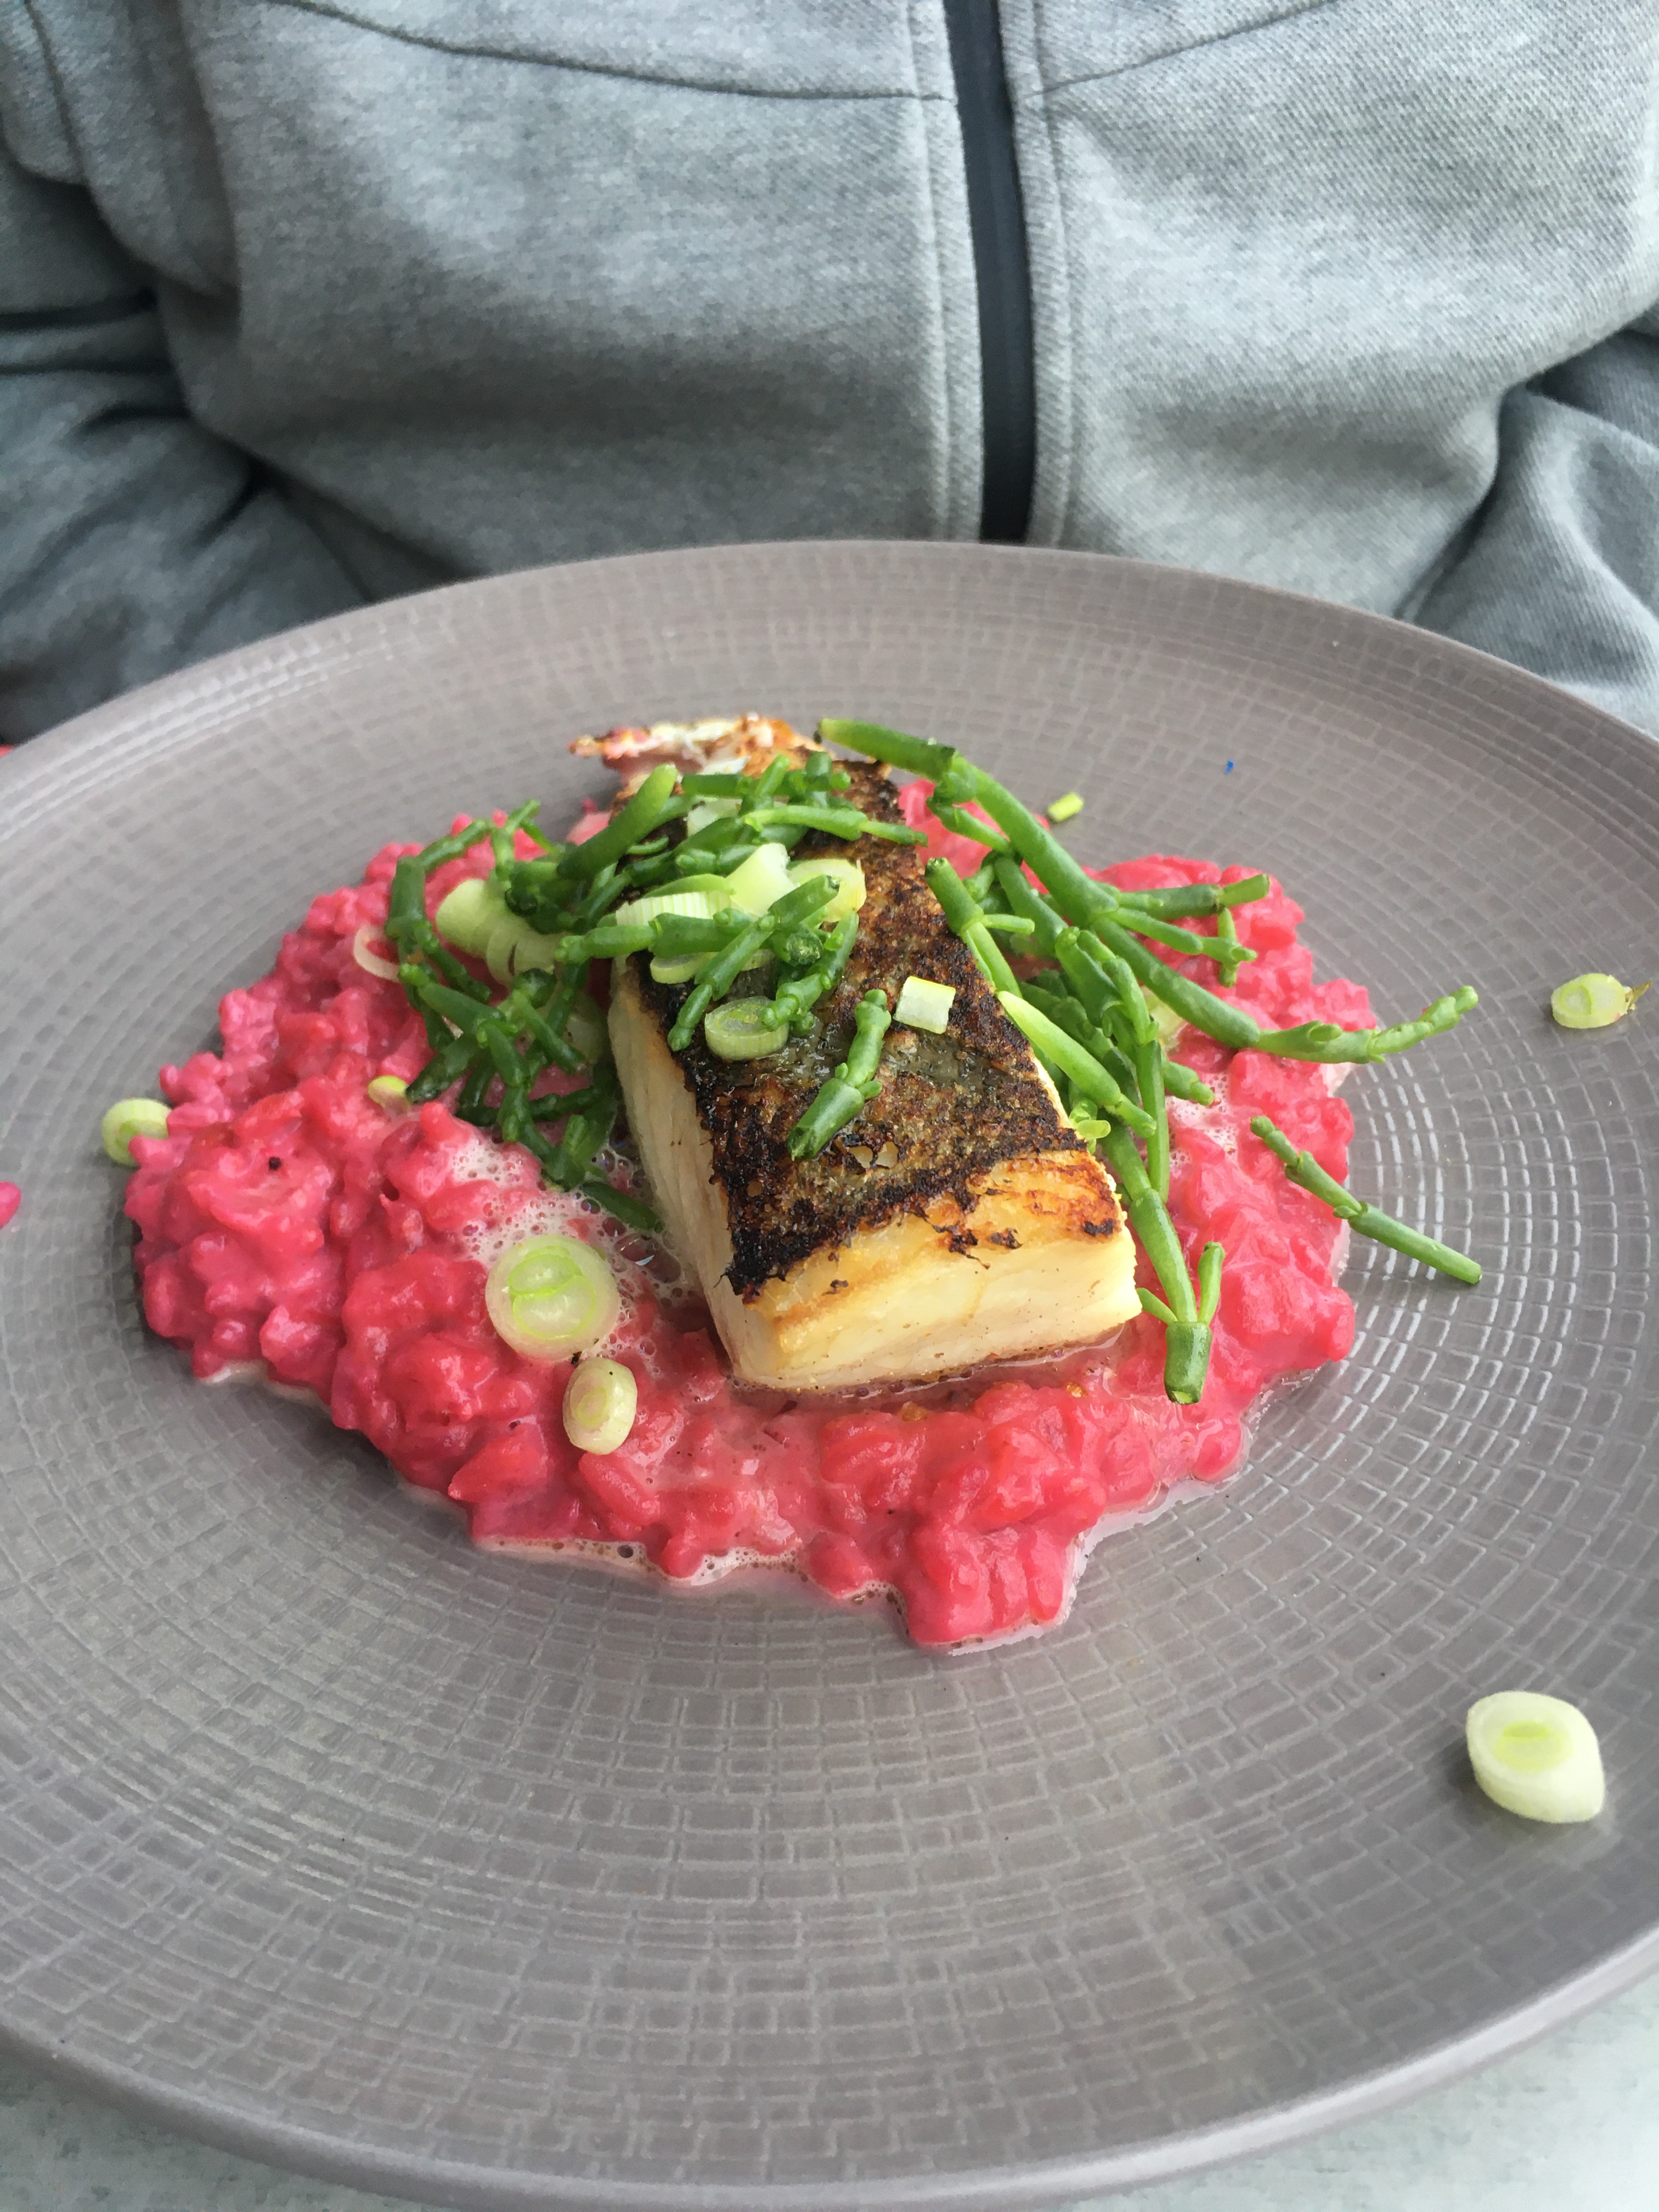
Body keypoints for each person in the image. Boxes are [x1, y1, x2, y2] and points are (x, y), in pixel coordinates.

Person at [2, 1, 1657, 742]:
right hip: (419, 785)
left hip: (1461, 735)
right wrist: (320, 761)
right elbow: (34, 362)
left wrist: (1542, 728)